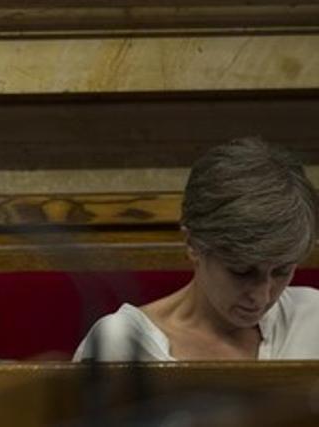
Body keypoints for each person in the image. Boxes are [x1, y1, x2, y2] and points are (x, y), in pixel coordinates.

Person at [75, 137, 319, 362]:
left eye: (281, 271)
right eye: (242, 271)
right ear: (194, 244)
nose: (262, 296)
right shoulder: (122, 344)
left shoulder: (311, 317)